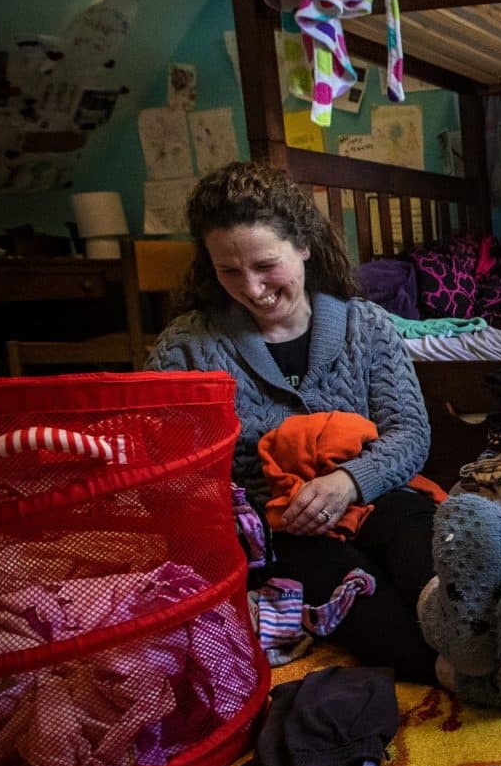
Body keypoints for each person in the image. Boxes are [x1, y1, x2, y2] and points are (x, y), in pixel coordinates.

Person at [147, 160, 442, 681]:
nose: (253, 288)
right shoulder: (187, 347)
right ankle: (446, 669)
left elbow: (410, 434)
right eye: (229, 271)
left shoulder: (364, 326)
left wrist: (348, 482)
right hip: (279, 531)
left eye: (265, 265)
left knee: (424, 557)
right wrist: (254, 513)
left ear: (303, 245)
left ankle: (487, 630)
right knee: (372, 604)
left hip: (375, 500)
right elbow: (166, 469)